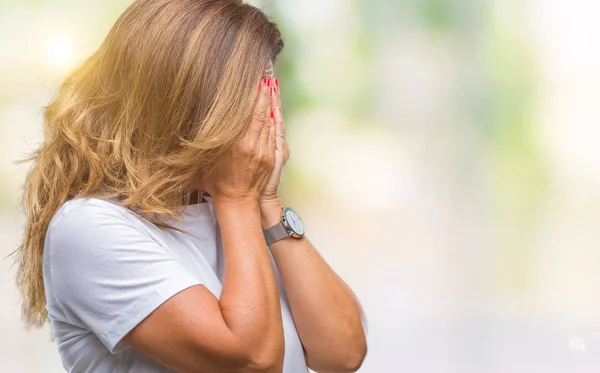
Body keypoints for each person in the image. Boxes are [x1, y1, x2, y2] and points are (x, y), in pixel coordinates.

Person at [14, 0, 367, 372]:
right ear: (186, 100)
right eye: (253, 91)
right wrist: (238, 197)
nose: (266, 113)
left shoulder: (235, 204)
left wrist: (267, 199)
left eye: (269, 86)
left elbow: (342, 353)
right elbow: (254, 361)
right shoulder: (88, 226)